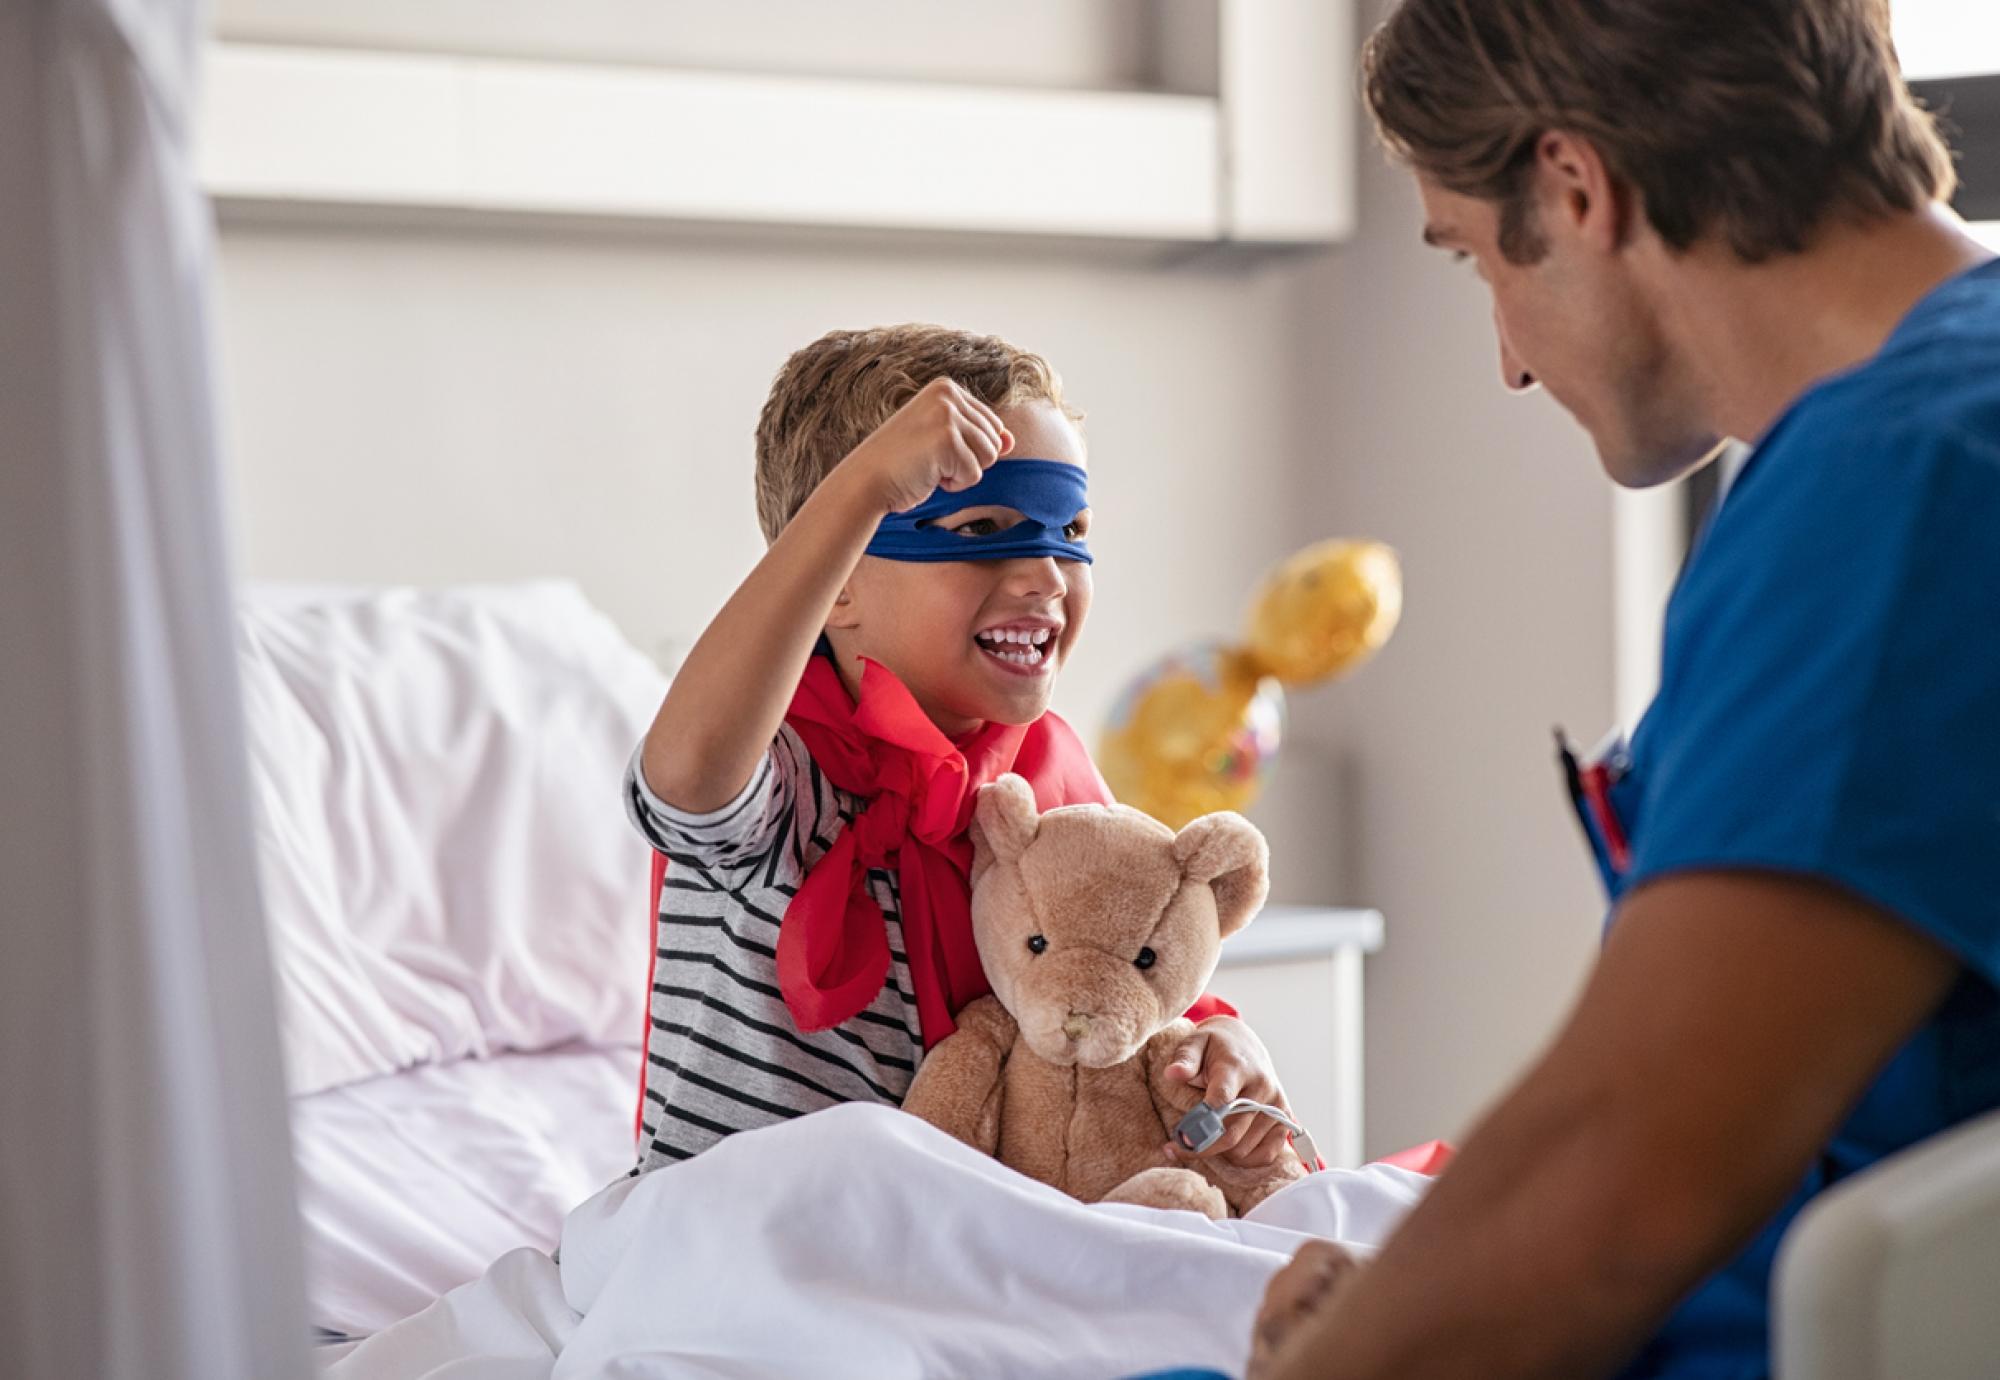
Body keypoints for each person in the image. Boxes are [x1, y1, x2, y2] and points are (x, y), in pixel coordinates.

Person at [1251, 1, 2000, 1376]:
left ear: (1576, 186)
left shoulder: (1895, 487)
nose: (1513, 358)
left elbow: (1626, 1184)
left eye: (1480, 261)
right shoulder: (1929, 424)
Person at [623, 324, 1291, 1173]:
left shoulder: (1051, 781)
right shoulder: (781, 771)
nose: (1047, 572)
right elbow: (684, 777)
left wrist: (1217, 1044)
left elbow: (1120, 983)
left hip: (956, 1236)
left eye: (1070, 530)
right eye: (980, 530)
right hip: (742, 1239)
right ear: (838, 583)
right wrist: (860, 488)